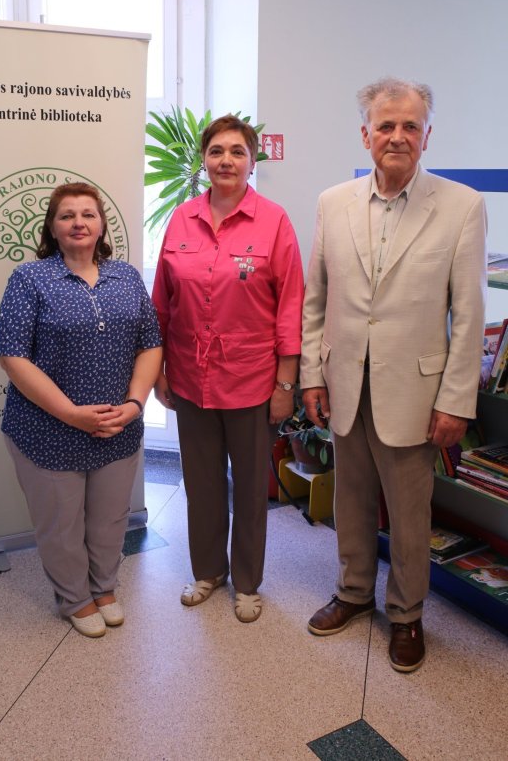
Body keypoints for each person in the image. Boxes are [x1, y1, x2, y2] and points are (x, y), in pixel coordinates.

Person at [301, 77, 487, 671]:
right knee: (351, 498)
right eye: (386, 125)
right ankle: (353, 591)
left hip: (416, 391)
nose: (398, 136)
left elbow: (469, 313)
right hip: (345, 384)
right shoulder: (333, 202)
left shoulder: (462, 206)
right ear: (366, 135)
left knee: (409, 514)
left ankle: (406, 614)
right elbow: (316, 299)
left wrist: (456, 400)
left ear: (427, 136)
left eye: (411, 126)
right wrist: (311, 375)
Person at [152, 114, 304, 623]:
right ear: (203, 159)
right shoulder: (182, 219)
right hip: (189, 377)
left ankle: (248, 582)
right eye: (217, 151)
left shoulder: (274, 221)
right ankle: (208, 572)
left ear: (252, 160)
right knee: (201, 482)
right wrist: (158, 370)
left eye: (238, 151)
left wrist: (285, 383)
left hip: (252, 379)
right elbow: (161, 304)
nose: (226, 160)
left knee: (250, 488)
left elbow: (290, 306)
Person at [0, 182, 162, 638]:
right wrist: (72, 414)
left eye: (88, 214)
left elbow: (151, 343)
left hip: (117, 427)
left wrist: (135, 404)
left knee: (110, 518)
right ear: (52, 227)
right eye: (67, 215)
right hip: (46, 430)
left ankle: (104, 588)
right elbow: (12, 356)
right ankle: (74, 598)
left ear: (102, 225)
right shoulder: (30, 279)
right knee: (61, 523)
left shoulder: (126, 277)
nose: (78, 223)